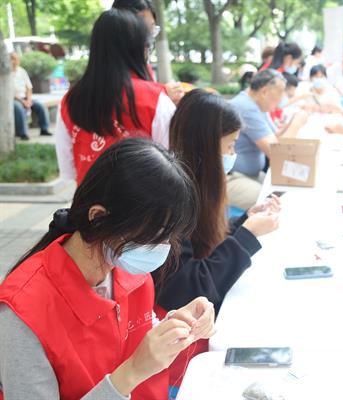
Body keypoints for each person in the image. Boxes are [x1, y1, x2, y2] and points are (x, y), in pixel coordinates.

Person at [0, 138, 216, 400]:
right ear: (98, 218)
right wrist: (131, 373)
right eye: (154, 235)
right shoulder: (22, 313)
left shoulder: (130, 272)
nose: (162, 248)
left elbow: (132, 337)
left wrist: (176, 325)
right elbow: (133, 362)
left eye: (169, 237)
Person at [153, 90, 280, 391]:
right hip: (182, 331)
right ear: (207, 145)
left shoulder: (200, 184)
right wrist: (248, 235)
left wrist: (244, 221)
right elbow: (188, 286)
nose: (233, 153)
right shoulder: (173, 200)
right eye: (230, 145)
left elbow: (209, 242)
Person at [56, 9, 175, 184]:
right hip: (144, 200)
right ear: (138, 47)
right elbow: (172, 166)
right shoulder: (156, 100)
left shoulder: (70, 100)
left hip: (88, 199)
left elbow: (68, 169)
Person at [228, 69, 307, 210]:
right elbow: (277, 152)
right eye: (281, 92)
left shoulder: (257, 105)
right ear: (264, 91)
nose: (283, 98)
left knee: (290, 190)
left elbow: (275, 138)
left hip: (250, 174)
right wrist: (296, 124)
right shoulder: (246, 108)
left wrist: (292, 121)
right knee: (275, 204)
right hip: (232, 178)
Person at [112, 0, 185, 105]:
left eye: (151, 29)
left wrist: (163, 93)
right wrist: (161, 96)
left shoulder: (145, 67)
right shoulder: (107, 78)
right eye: (140, 29)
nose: (148, 39)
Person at [11, 52, 52, 140]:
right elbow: (9, 92)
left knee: (40, 106)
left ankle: (44, 129)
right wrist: (23, 101)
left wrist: (29, 100)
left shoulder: (22, 71)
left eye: (17, 59)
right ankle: (23, 133)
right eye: (14, 59)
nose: (17, 61)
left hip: (25, 97)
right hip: (13, 99)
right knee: (18, 108)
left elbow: (29, 88)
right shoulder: (5, 74)